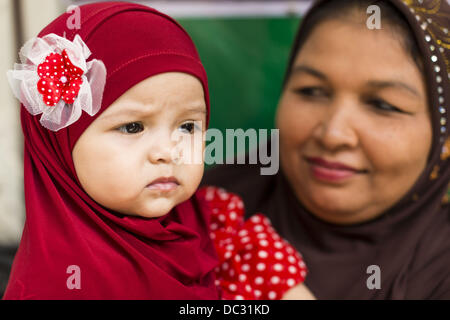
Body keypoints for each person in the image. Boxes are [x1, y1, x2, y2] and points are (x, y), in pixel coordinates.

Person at [3, 1, 310, 299]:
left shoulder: (219, 228)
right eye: (133, 127)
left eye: (188, 127)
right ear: (60, 146)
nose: (169, 151)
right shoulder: (54, 285)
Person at [203, 0, 450, 299]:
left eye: (383, 104)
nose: (333, 134)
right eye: (311, 91)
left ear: (444, 133)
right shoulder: (201, 215)